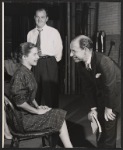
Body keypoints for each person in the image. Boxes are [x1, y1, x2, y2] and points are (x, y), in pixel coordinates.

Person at [9, 42, 73, 148]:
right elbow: (20, 103)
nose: (38, 57)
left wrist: (38, 106)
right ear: (24, 57)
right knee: (58, 116)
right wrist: (37, 111)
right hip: (22, 121)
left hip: (25, 116)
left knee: (57, 113)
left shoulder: (27, 71)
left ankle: (66, 146)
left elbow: (30, 96)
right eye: (34, 54)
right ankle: (69, 147)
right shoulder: (20, 74)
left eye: (37, 54)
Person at [70, 35, 121, 148]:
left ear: (86, 50)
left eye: (74, 51)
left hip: (115, 94)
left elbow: (110, 87)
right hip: (103, 94)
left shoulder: (104, 61)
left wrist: (108, 108)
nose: (70, 54)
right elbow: (88, 88)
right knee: (100, 126)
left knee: (108, 130)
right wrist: (93, 108)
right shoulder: (80, 64)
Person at [27, 8, 63, 108]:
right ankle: (36, 118)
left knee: (51, 93)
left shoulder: (53, 32)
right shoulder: (30, 34)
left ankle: (53, 118)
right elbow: (29, 51)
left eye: (42, 17)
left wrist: (52, 63)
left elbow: (59, 49)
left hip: (49, 62)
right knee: (35, 92)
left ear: (46, 18)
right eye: (37, 17)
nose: (40, 19)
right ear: (34, 18)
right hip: (35, 64)